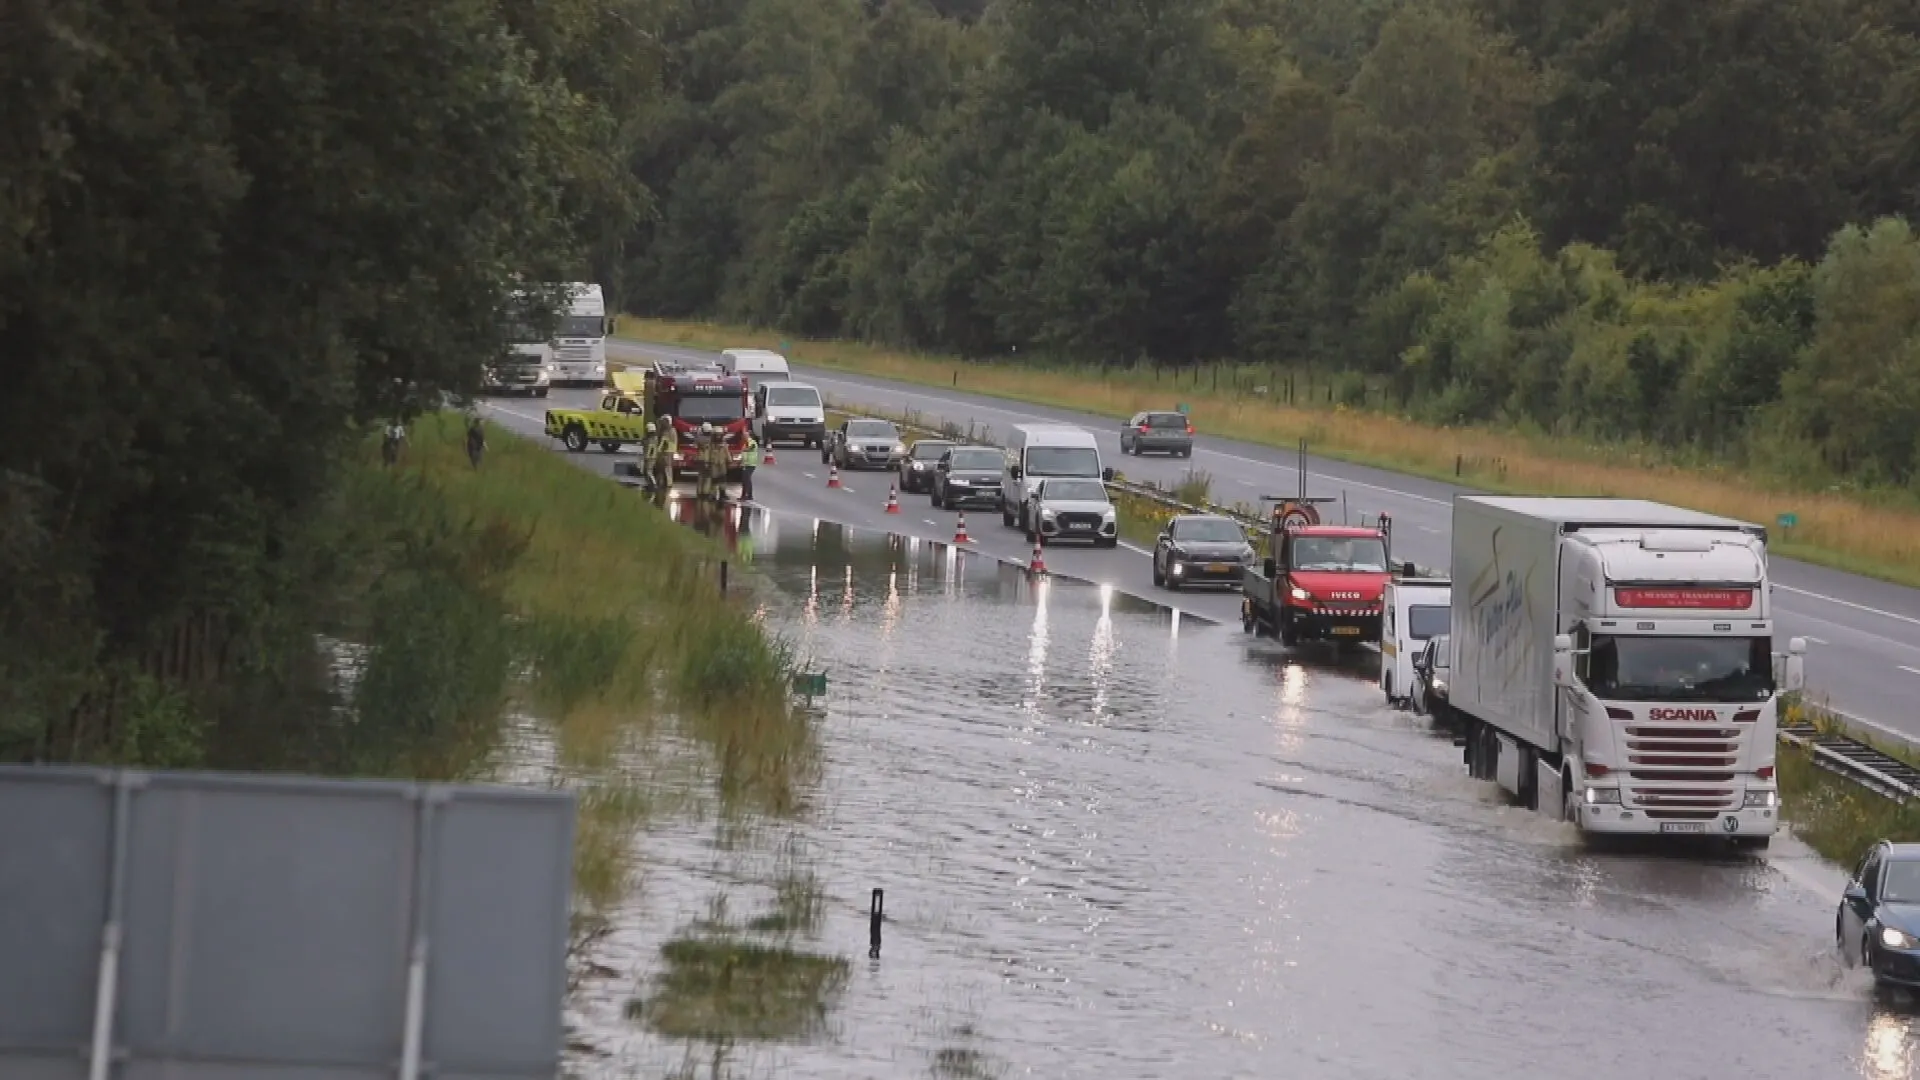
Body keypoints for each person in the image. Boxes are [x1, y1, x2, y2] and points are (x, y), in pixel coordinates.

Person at [739, 432, 761, 502]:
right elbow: (743, 454)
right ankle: (743, 495)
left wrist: (744, 450)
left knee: (747, 479)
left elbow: (751, 448)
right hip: (746, 464)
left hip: (751, 464)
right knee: (744, 480)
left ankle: (749, 496)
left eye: (744, 436)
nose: (743, 437)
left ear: (748, 436)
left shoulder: (752, 442)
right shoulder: (745, 444)